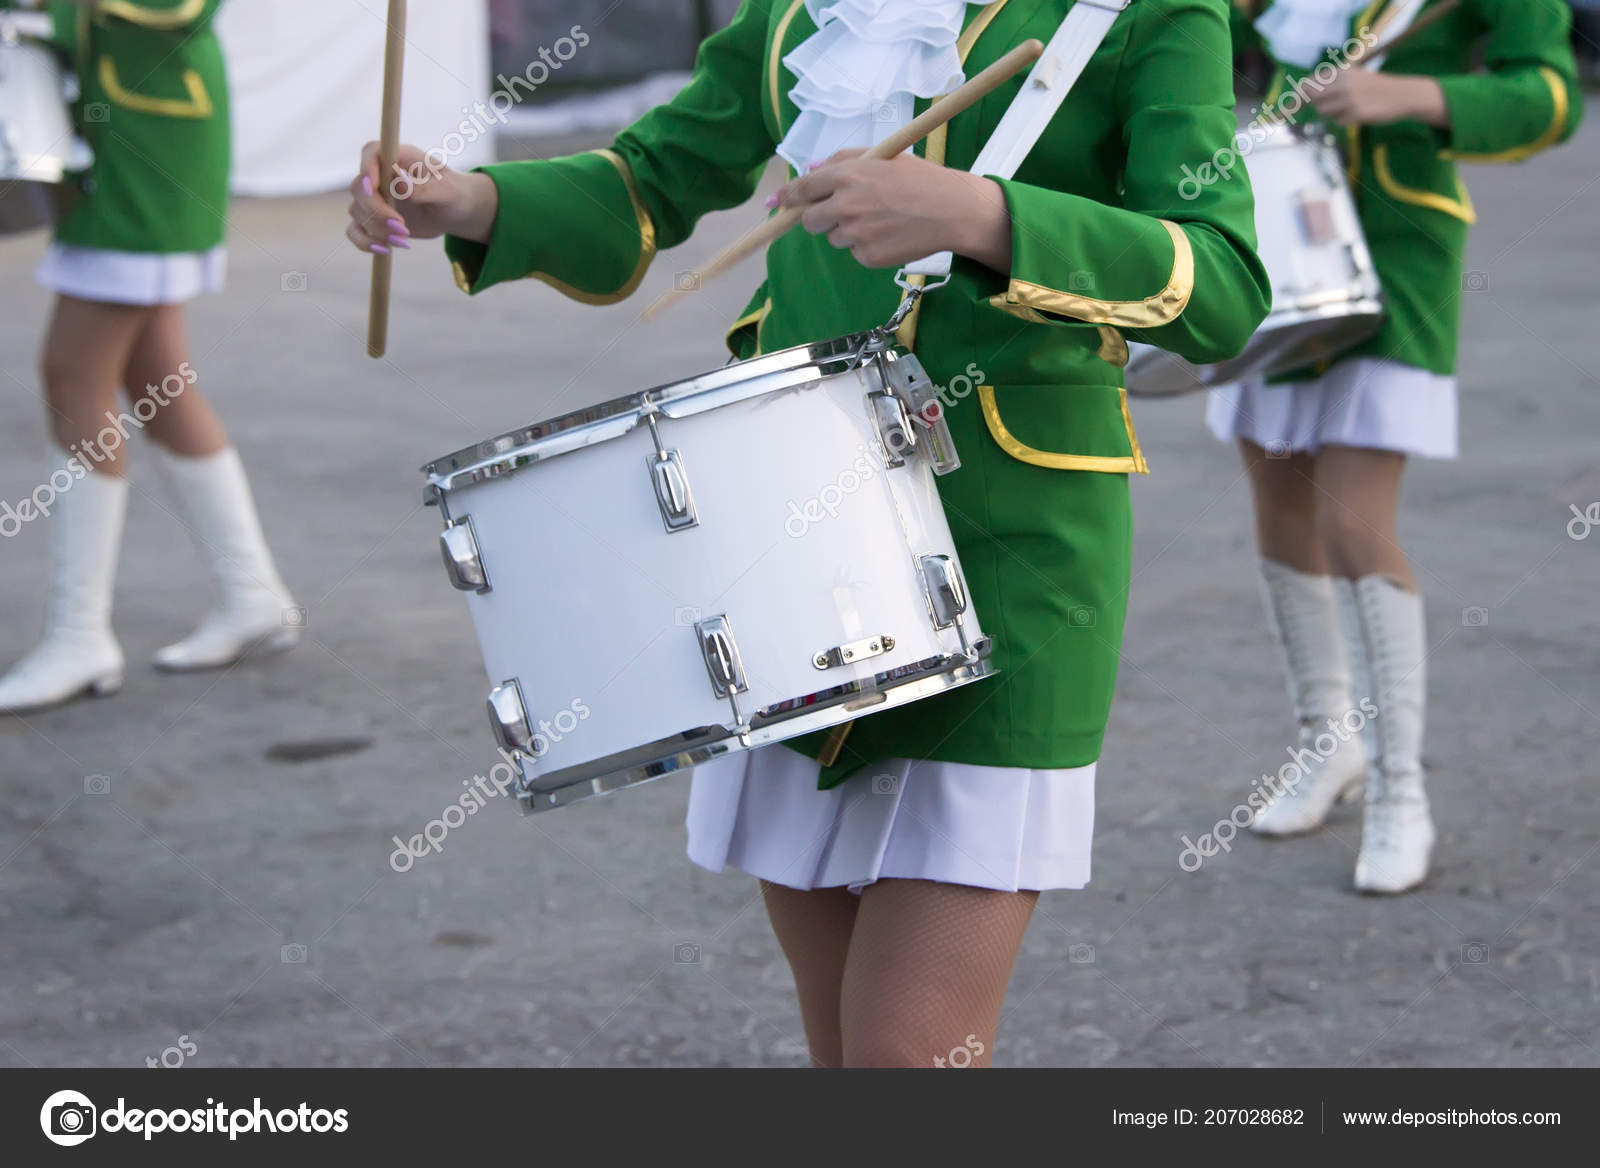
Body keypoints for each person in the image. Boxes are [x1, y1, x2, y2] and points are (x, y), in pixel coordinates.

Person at [347, 0, 1268, 1066]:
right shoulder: (802, 8)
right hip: (787, 553)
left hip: (1009, 558)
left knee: (901, 1064)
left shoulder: (1149, 12)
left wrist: (983, 215)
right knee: (843, 1057)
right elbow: (653, 177)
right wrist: (466, 196)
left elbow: (1224, 283)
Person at [1207, 0, 1582, 892]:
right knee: (1281, 504)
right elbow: (1225, 41)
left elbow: (1549, 97)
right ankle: (1324, 744)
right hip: (1280, 235)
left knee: (1355, 525)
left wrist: (1403, 94)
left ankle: (1398, 790)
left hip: (1397, 250)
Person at [0, 0, 299, 715]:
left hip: (151, 142)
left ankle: (79, 637)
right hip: (122, 130)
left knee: (72, 375)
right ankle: (252, 593)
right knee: (158, 381)